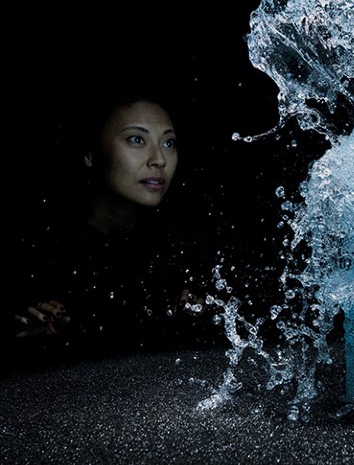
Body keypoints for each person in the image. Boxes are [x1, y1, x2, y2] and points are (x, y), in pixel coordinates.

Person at [6, 88, 222, 368]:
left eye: (169, 143)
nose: (159, 159)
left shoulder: (188, 249)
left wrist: (204, 317)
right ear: (90, 153)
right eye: (136, 139)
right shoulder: (35, 250)